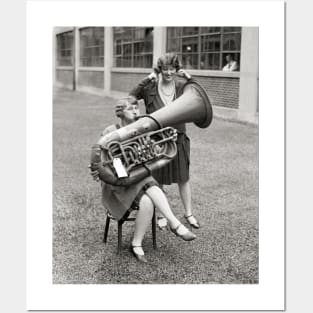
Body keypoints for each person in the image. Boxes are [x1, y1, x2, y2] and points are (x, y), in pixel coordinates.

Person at [90, 97, 196, 263]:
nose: (135, 111)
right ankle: (175, 224)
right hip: (116, 186)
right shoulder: (110, 131)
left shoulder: (142, 130)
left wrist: (169, 139)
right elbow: (102, 160)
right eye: (130, 108)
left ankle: (136, 244)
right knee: (147, 181)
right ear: (120, 112)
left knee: (147, 199)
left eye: (136, 108)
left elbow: (155, 150)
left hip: (136, 180)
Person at [129, 53, 200, 230]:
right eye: (165, 69)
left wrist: (190, 78)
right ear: (159, 70)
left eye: (172, 68)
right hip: (156, 141)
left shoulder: (183, 85)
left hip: (179, 138)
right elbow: (131, 96)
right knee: (158, 177)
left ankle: (188, 213)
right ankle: (161, 214)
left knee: (183, 178)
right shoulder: (150, 87)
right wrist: (146, 79)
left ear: (177, 69)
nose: (168, 72)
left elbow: (199, 94)